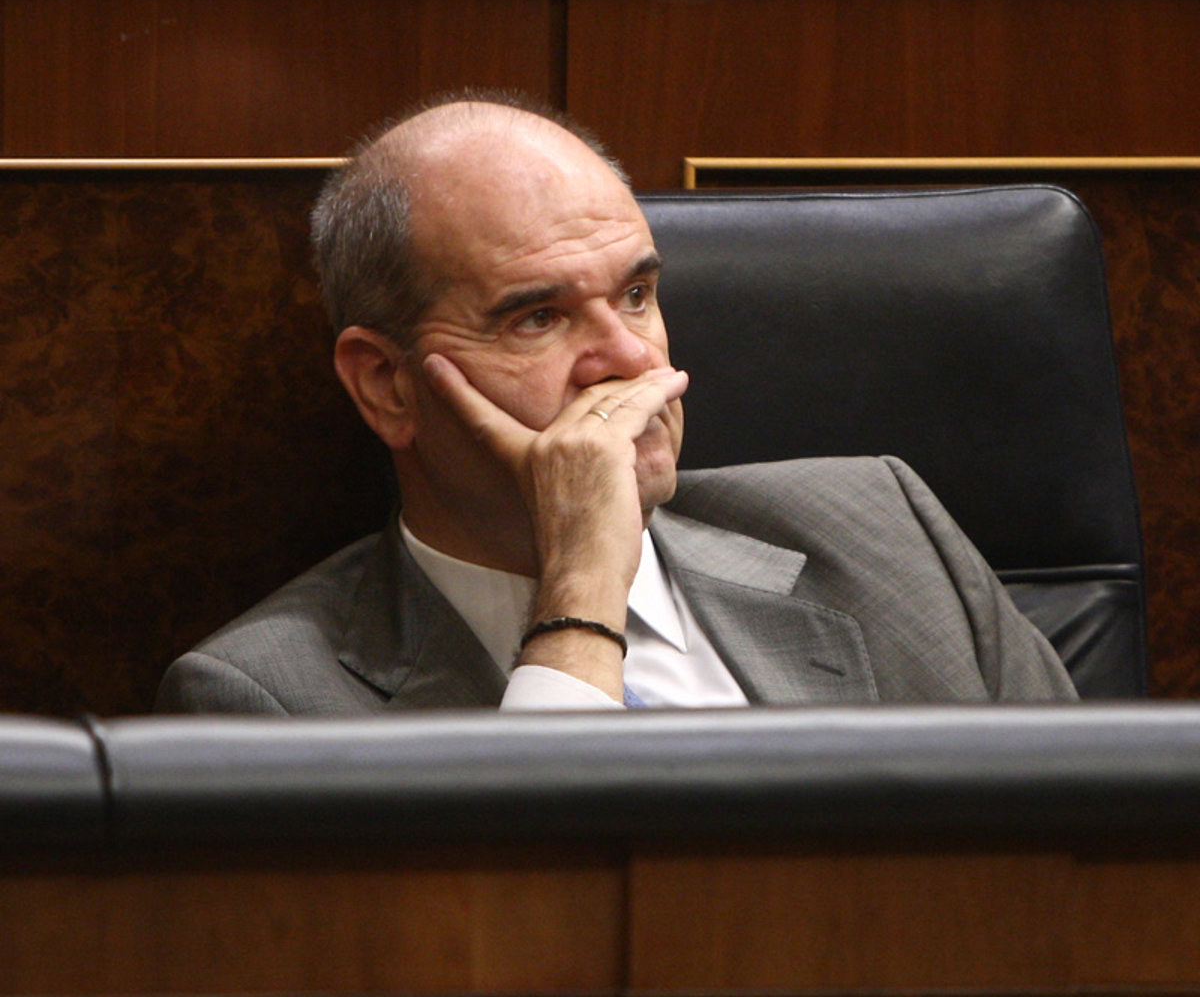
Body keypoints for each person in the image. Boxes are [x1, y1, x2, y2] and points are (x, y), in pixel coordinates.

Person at [157, 93, 1076, 714]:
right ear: (387, 385)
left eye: (637, 295)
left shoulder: (885, 532)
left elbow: (1103, 878)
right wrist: (583, 591)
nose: (632, 360)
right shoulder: (268, 698)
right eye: (539, 318)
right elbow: (526, 931)